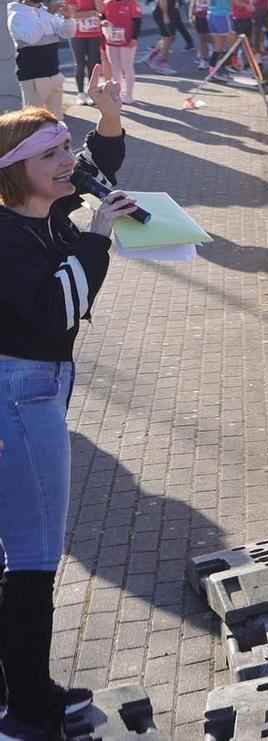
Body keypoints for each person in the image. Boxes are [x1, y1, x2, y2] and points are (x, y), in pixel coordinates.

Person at [0, 106, 139, 741]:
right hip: (22, 396)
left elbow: (94, 167)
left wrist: (106, 118)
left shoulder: (40, 210)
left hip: (31, 391)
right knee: (32, 557)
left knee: (18, 555)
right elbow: (60, 308)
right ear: (13, 172)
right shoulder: (8, 236)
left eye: (63, 147)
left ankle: (20, 691)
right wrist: (99, 235)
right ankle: (30, 707)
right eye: (49, 154)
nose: (66, 162)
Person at [8, 0, 74, 117]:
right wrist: (49, 14)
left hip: (54, 74)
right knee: (32, 122)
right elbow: (32, 38)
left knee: (57, 122)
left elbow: (67, 33)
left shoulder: (45, 12)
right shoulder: (17, 15)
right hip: (33, 77)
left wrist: (68, 17)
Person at [98, 0, 143, 105]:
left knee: (127, 67)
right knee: (115, 68)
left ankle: (129, 94)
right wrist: (103, 23)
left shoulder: (132, 3)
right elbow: (102, 19)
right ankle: (118, 93)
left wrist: (134, 38)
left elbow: (137, 22)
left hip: (127, 41)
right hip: (111, 41)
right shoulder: (107, 3)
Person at [61, 0, 101, 104]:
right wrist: (90, 12)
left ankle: (91, 92)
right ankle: (80, 93)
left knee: (93, 63)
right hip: (77, 33)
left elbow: (101, 10)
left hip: (94, 32)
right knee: (80, 63)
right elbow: (73, 14)